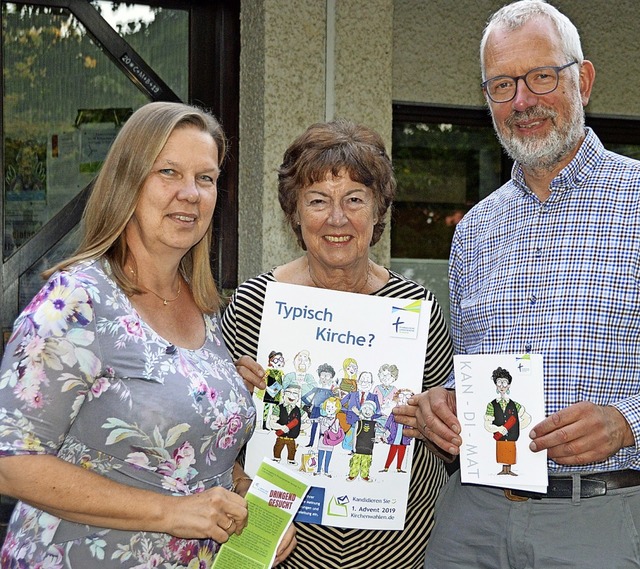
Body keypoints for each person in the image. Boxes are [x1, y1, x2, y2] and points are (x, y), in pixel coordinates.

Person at [394, 1, 640, 567]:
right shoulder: (474, 229)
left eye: (541, 77)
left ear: (585, 79)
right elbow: (474, 374)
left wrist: (629, 424)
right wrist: (443, 407)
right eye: (502, 85)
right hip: (473, 519)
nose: (522, 101)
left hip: (601, 516)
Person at [0, 101, 295, 568]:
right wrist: (173, 512)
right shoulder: (78, 299)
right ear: (128, 183)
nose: (191, 194)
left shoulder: (202, 306)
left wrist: (247, 500)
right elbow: (11, 462)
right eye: (169, 172)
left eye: (206, 178)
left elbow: (185, 459)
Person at [221, 118, 453, 569]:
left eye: (354, 199)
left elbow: (446, 431)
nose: (337, 218)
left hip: (398, 547)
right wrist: (231, 395)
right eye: (318, 200)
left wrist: (429, 420)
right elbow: (212, 431)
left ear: (378, 209)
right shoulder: (255, 303)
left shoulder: (416, 307)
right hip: (283, 541)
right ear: (294, 212)